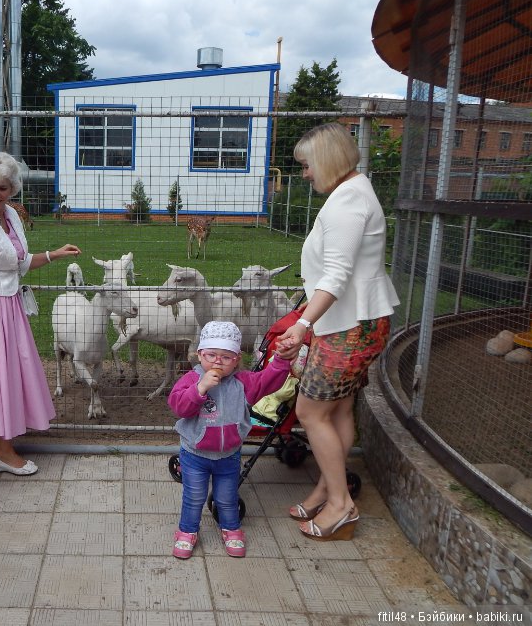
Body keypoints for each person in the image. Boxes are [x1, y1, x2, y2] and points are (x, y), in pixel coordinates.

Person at [277, 122, 399, 541]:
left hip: (350, 326)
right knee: (339, 410)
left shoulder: (348, 201)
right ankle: (325, 490)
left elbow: (338, 275)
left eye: (308, 165)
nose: (305, 173)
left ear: (327, 159)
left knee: (311, 411)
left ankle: (340, 505)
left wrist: (302, 324)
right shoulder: (352, 193)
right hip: (351, 322)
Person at [0, 151, 80, 476]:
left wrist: (53, 255)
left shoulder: (10, 216)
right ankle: (3, 452)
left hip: (7, 308)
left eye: (3, 188)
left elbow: (18, 263)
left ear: (12, 189)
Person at [167, 321, 298, 559]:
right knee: (193, 496)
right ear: (199, 355)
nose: (217, 361)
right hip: (195, 453)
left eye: (226, 357)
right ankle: (187, 531)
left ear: (236, 359)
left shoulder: (243, 383)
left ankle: (231, 528)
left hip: (228, 455)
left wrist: (281, 360)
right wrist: (199, 389)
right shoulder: (191, 379)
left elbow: (268, 381)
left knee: (227, 497)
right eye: (211, 355)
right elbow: (179, 407)